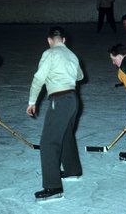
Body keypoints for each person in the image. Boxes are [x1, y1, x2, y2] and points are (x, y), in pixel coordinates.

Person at [26, 26, 84, 201]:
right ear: (64, 40)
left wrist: (32, 101)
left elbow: (39, 78)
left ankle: (53, 187)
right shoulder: (72, 55)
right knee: (66, 134)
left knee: (48, 142)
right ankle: (73, 171)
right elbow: (80, 76)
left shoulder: (49, 54)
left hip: (59, 101)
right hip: (74, 100)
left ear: (49, 40)